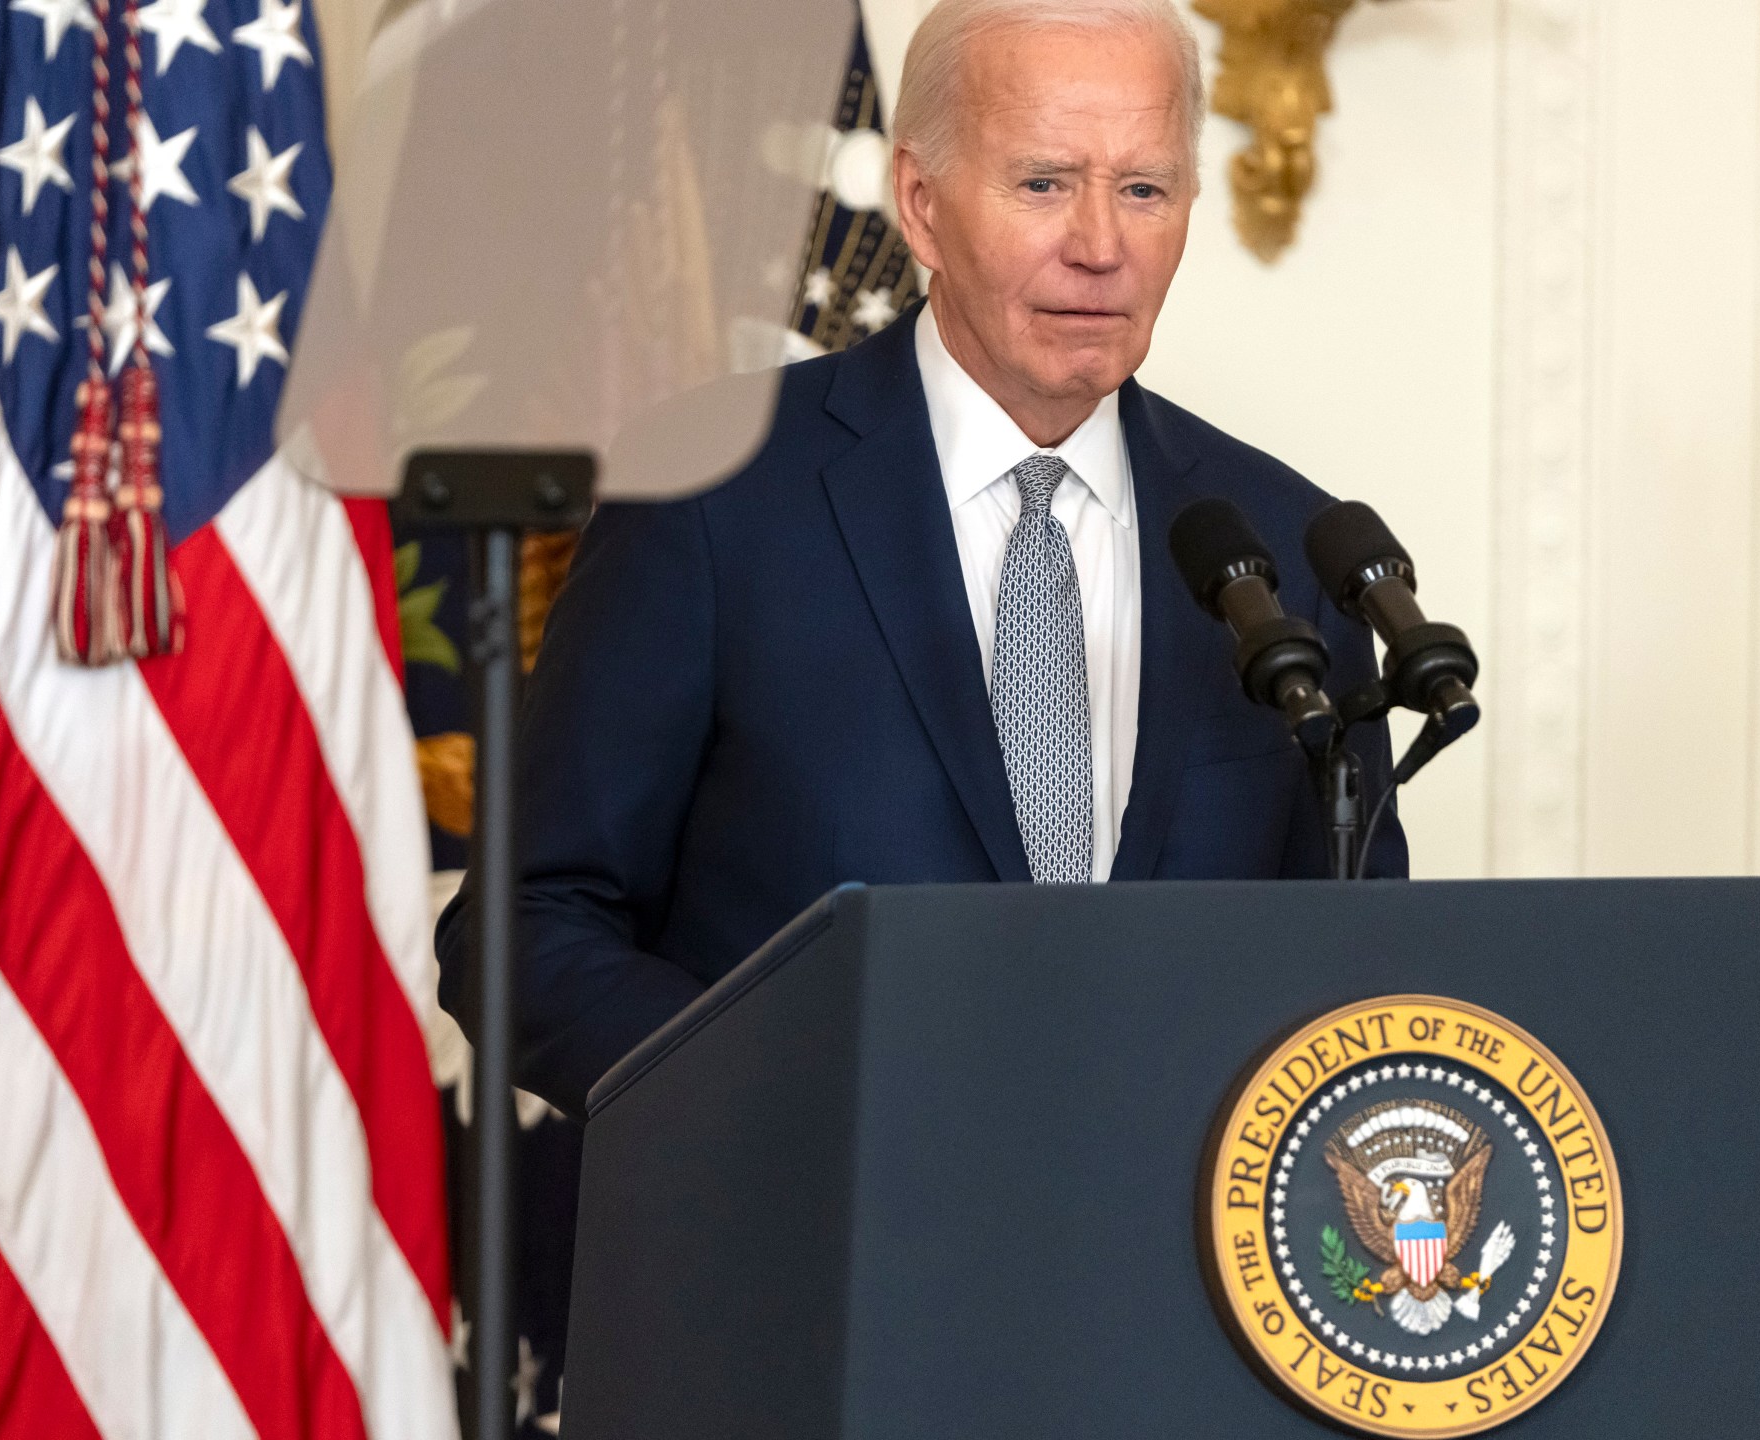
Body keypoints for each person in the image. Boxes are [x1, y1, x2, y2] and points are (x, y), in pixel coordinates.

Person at [439, 0, 1403, 1119]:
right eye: (1043, 182)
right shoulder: (711, 494)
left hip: (1165, 1262)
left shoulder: (1283, 546)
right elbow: (525, 928)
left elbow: (1352, 976)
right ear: (921, 204)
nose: (1099, 244)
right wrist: (789, 1103)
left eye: (1142, 188)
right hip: (799, 1250)